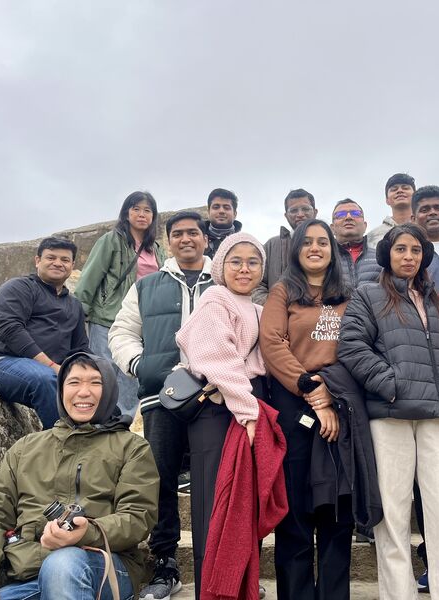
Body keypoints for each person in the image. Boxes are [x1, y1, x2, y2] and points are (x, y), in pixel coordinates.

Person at [338, 223, 439, 600]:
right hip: (390, 414)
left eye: (416, 250)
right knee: (393, 517)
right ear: (388, 254)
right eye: (401, 249)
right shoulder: (368, 294)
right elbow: (351, 346)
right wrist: (392, 384)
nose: (409, 257)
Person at [0, 352, 159, 600]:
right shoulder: (25, 448)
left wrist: (87, 532)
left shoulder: (132, 448)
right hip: (31, 573)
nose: (83, 392)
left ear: (110, 389)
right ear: (61, 390)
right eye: (74, 382)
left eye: (95, 382)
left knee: (63, 564)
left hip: (105, 567)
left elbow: (138, 517)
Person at [108, 211, 213, 600]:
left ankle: (220, 566)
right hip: (160, 397)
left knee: (215, 483)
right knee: (160, 481)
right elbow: (122, 331)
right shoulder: (147, 285)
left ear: (205, 239)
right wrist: (142, 366)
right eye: (178, 233)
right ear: (168, 242)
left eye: (193, 233)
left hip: (214, 397)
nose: (186, 239)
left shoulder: (222, 281)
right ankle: (166, 564)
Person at [176, 232, 283, 595]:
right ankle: (212, 589)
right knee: (216, 506)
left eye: (253, 262)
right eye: (236, 261)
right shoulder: (215, 299)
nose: (244, 269)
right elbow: (218, 361)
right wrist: (249, 414)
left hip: (243, 407)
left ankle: (239, 586)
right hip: (221, 410)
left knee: (243, 507)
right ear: (221, 265)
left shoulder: (257, 309)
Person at [260, 219, 354, 599]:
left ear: (333, 250)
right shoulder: (283, 291)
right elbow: (271, 342)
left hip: (340, 400)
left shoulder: (348, 296)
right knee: (296, 510)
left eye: (323, 242)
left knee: (337, 510)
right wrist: (310, 388)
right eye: (307, 242)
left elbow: (356, 346)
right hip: (292, 401)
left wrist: (330, 391)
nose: (315, 248)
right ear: (296, 249)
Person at [75, 191, 166, 420]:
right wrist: (79, 315)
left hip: (143, 322)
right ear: (126, 213)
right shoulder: (111, 240)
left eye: (147, 210)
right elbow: (90, 277)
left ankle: (122, 422)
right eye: (136, 209)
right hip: (108, 317)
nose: (142, 214)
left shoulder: (156, 249)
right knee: (103, 372)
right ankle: (97, 420)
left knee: (131, 372)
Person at [0, 237, 89, 429]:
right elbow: (9, 328)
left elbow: (79, 349)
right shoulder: (18, 287)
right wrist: (52, 366)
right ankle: (65, 441)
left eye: (64, 260)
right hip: (3, 362)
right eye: (51, 257)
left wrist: (95, 374)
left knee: (101, 383)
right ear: (37, 260)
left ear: (72, 266)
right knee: (45, 379)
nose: (58, 263)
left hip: (52, 370)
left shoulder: (74, 305)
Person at [253, 189, 318, 305]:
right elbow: (256, 284)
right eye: (293, 210)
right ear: (286, 216)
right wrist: (275, 306)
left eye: (305, 209)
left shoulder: (329, 245)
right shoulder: (271, 245)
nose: (300, 214)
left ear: (315, 212)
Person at [329, 199, 381, 287]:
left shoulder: (380, 258)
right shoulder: (325, 258)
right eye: (340, 215)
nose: (348, 217)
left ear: (365, 226)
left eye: (356, 214)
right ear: (332, 228)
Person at [367, 172, 416, 248]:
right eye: (394, 189)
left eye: (405, 188)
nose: (400, 191)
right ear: (387, 200)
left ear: (415, 196)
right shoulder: (372, 237)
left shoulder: (427, 228)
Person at [205, 188, 243, 258]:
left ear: (235, 214)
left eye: (226, 208)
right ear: (208, 212)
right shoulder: (195, 241)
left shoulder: (244, 242)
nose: (221, 211)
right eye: (216, 207)